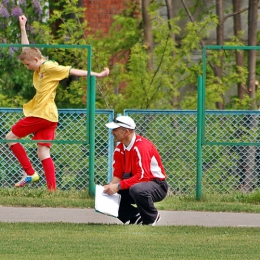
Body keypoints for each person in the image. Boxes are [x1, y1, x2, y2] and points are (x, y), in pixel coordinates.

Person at [6, 15, 109, 191]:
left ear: (37, 61)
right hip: (50, 116)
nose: (27, 68)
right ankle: (52, 191)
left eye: (28, 65)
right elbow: (27, 50)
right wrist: (23, 27)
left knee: (9, 138)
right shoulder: (38, 63)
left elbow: (71, 70)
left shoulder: (49, 67)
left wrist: (96, 74)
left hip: (41, 114)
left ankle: (30, 173)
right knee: (43, 152)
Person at [103, 116, 168, 225]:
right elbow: (118, 174)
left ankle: (151, 217)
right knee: (105, 194)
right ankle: (136, 217)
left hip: (157, 185)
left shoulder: (141, 147)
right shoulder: (119, 149)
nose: (112, 132)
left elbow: (143, 176)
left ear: (126, 132)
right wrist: (110, 187)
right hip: (135, 183)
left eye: (115, 130)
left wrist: (118, 186)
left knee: (137, 189)